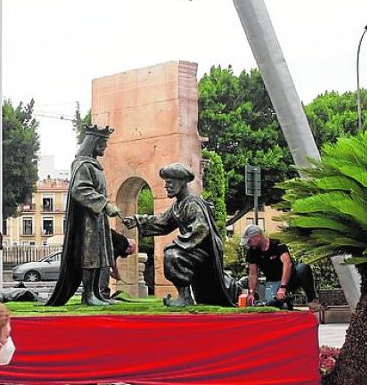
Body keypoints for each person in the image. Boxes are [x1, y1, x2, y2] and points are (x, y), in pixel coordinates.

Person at [121, 163, 235, 307]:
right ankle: (185, 296)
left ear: (181, 182)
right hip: (193, 250)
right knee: (173, 254)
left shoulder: (192, 203)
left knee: (173, 255)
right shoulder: (178, 205)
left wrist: (179, 244)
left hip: (204, 251)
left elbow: (201, 229)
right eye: (165, 182)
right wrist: (137, 220)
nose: (166, 186)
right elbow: (162, 222)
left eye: (169, 182)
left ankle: (185, 298)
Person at [46, 124, 124, 306]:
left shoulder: (94, 165)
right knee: (90, 255)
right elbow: (79, 189)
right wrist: (105, 204)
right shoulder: (82, 165)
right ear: (94, 142)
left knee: (99, 255)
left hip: (97, 218)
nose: (105, 146)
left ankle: (97, 292)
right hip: (87, 220)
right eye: (103, 142)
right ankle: (88, 295)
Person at [242, 224, 319, 311]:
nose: (248, 244)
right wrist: (251, 293)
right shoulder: (252, 251)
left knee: (303, 268)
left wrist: (283, 287)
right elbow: (253, 274)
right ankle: (287, 303)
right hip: (273, 281)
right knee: (273, 306)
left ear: (257, 237)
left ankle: (312, 300)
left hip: (290, 278)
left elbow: (287, 263)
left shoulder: (277, 244)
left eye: (249, 241)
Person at [99, 229, 137, 299]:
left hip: (100, 248)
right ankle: (103, 293)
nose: (126, 255)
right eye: (129, 253)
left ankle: (99, 292)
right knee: (104, 267)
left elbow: (108, 261)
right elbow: (111, 260)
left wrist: (112, 273)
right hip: (100, 243)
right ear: (130, 246)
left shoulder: (119, 240)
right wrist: (116, 274)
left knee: (103, 266)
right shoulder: (124, 243)